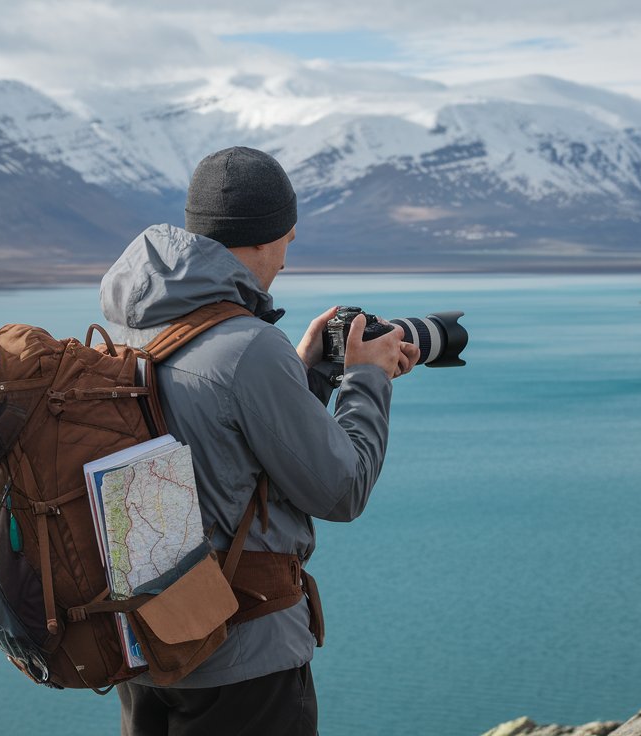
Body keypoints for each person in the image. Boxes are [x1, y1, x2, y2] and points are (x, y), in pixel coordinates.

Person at [99, 146, 419, 736]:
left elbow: (212, 437)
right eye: (288, 242)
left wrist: (303, 371)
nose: (285, 261)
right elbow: (342, 489)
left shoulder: (122, 327)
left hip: (147, 649)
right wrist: (367, 378)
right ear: (269, 236)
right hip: (243, 658)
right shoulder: (246, 345)